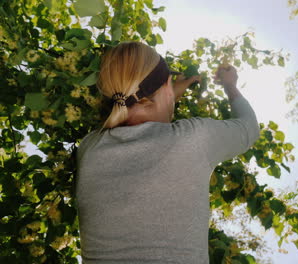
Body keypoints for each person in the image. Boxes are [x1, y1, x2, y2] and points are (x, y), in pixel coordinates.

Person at [75, 41, 260, 264]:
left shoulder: (90, 149)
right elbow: (249, 128)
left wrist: (167, 92)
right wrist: (230, 85)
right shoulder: (194, 140)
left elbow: (136, 110)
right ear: (166, 88)